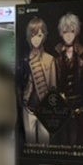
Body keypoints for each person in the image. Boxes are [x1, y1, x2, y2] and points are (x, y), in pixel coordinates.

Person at [53, 12, 83, 147]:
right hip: (61, 106)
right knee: (62, 139)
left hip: (80, 105)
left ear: (76, 32)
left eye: (72, 31)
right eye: (65, 31)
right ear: (61, 33)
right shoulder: (55, 57)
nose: (68, 35)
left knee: (79, 139)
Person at [18, 16, 56, 145]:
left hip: (44, 109)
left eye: (39, 35)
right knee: (30, 144)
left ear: (44, 36)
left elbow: (53, 88)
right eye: (33, 35)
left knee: (45, 144)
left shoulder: (50, 59)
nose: (36, 39)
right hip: (27, 107)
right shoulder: (24, 60)